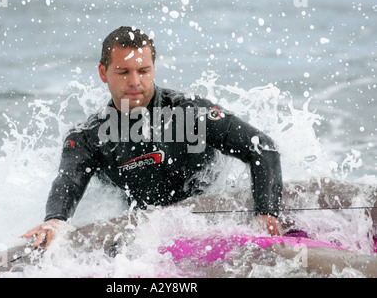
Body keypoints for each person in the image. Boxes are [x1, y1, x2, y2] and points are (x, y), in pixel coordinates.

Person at [21, 26, 284, 249]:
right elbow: (69, 180)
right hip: (146, 239)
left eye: (143, 71)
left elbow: (262, 148)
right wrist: (56, 219)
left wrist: (266, 214)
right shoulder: (89, 137)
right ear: (104, 73)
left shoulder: (190, 112)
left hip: (210, 222)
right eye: (123, 72)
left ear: (153, 69)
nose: (135, 81)